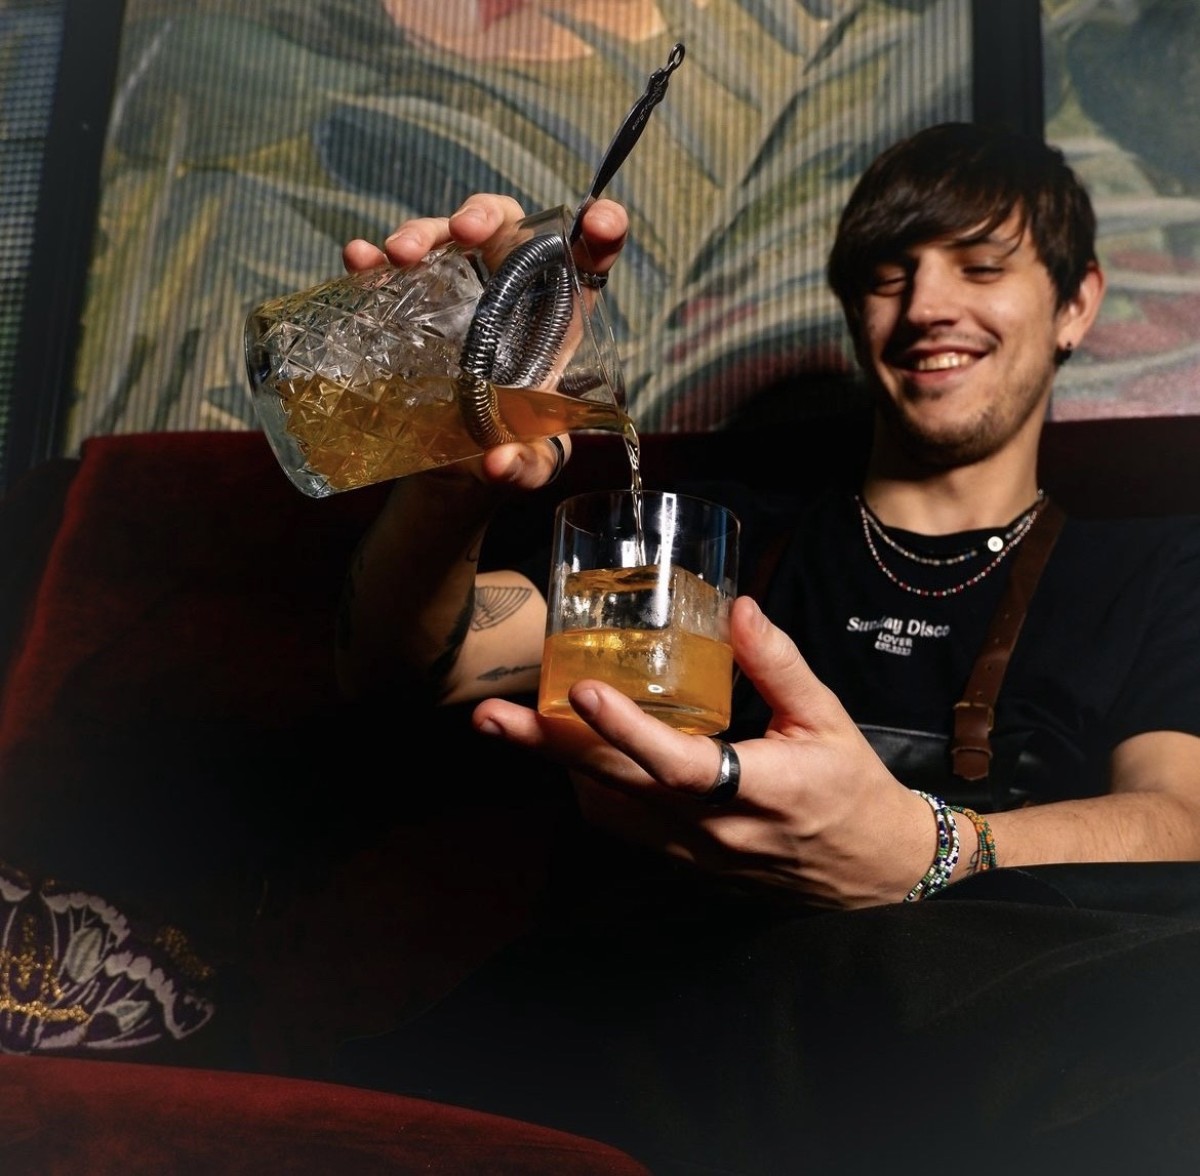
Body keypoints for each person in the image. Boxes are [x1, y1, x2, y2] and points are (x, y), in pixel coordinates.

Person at [331, 123, 1200, 1174]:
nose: (927, 305)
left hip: (983, 1045)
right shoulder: (709, 536)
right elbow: (411, 669)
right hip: (674, 1023)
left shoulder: (1157, 569)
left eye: (981, 267)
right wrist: (453, 467)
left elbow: (1181, 821)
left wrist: (926, 849)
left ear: (1076, 304)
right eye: (889, 275)